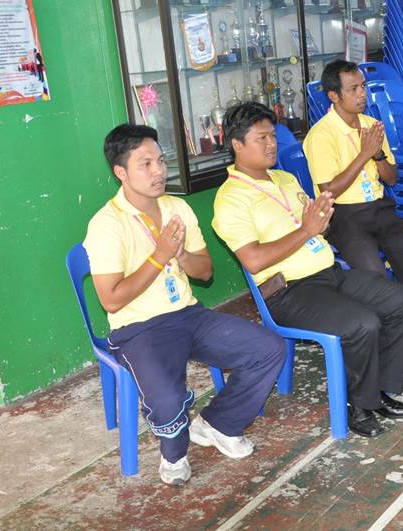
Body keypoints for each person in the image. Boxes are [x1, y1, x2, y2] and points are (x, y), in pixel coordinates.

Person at [83, 124, 286, 485]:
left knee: (268, 348)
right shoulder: (106, 225)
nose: (158, 171)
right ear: (121, 172)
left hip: (188, 315)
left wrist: (180, 255)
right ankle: (173, 455)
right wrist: (159, 256)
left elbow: (205, 272)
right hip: (138, 327)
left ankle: (218, 424)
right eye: (145, 164)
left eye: (160, 161)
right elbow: (111, 300)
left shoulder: (177, 207)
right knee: (168, 400)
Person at [213, 102, 403, 438]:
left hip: (328, 273)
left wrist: (320, 222)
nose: (271, 144)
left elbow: (309, 226)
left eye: (272, 136)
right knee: (362, 323)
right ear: (237, 145)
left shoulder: (285, 178)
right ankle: (359, 405)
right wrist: (307, 230)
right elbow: (253, 260)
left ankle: (378, 391)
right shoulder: (231, 198)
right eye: (261, 138)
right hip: (288, 291)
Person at [302, 59, 403, 362]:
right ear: (333, 96)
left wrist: (378, 156)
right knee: (375, 274)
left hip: (379, 208)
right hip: (344, 214)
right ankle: (382, 340)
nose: (362, 94)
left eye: (363, 86)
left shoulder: (372, 125)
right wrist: (364, 154)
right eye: (354, 89)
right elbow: (328, 190)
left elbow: (391, 178)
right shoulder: (320, 136)